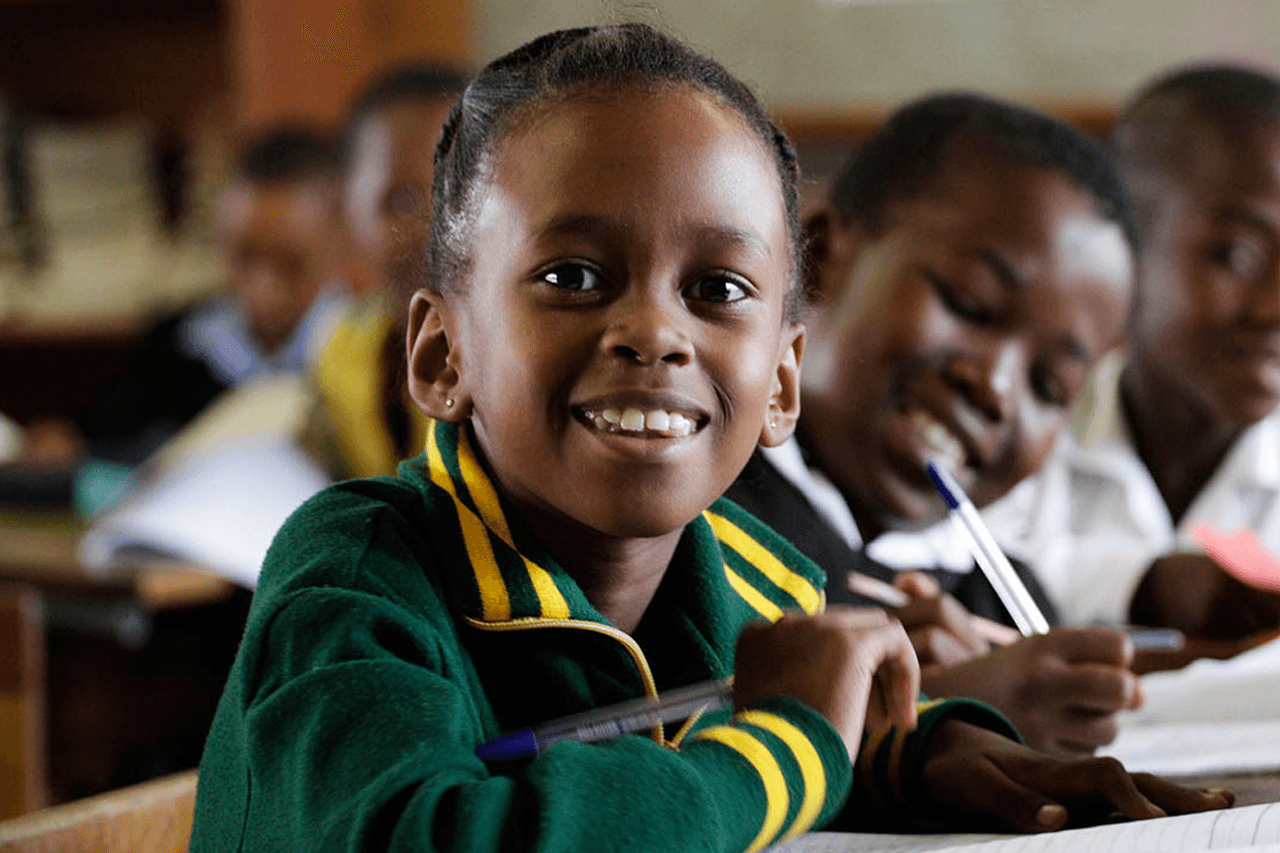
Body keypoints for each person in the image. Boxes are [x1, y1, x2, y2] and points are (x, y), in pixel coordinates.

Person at [190, 26, 1229, 853]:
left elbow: (817, 742)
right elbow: (444, 837)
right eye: (572, 276)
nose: (653, 331)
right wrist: (790, 744)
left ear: (779, 382)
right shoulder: (355, 578)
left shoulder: (756, 580)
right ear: (439, 355)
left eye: (718, 290)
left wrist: (922, 757)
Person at [726, 92, 1143, 758]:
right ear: (819, 256)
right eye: (968, 304)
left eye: (1049, 386)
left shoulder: (1002, 606)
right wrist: (932, 710)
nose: (996, 389)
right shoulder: (695, 521)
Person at [985, 63, 1280, 646]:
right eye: (1236, 255)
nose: (1273, 306)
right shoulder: (1014, 424)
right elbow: (948, 575)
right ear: (1121, 251)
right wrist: (1146, 585)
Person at [21, 126, 351, 469]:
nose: (261, 290)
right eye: (243, 258)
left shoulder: (363, 354)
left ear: (339, 244)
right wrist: (62, 443)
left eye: (290, 265)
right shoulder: (174, 345)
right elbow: (94, 437)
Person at [304, 62, 467, 480]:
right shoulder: (343, 350)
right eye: (406, 201)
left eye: (462, 198)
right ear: (344, 209)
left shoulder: (512, 366)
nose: (438, 230)